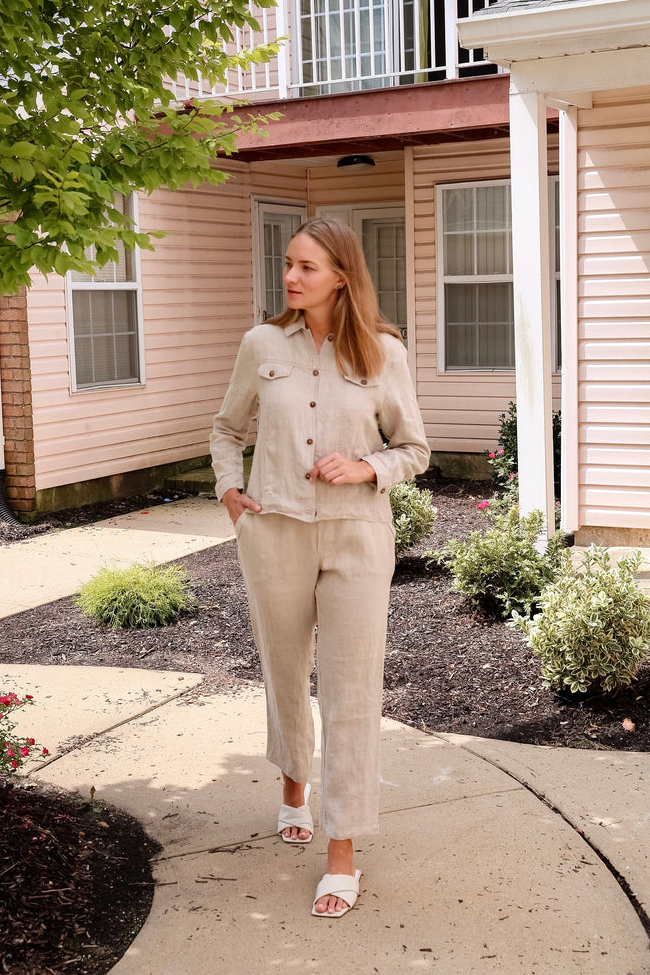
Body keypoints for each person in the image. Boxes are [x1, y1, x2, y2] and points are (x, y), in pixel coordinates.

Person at [210, 218, 430, 918]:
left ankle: (342, 852)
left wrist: (367, 465)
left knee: (351, 691)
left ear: (342, 275)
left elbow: (415, 449)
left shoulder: (383, 353)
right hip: (272, 533)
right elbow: (227, 428)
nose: (292, 277)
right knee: (284, 672)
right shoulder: (261, 344)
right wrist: (228, 491)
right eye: (288, 265)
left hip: (356, 540)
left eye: (307, 267)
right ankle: (292, 785)